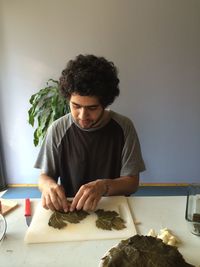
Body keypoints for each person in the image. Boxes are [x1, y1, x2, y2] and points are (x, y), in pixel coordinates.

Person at [35, 54, 145, 212]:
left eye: (92, 108)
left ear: (104, 103)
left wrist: (104, 186)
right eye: (75, 106)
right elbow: (44, 176)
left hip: (113, 209)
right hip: (72, 210)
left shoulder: (124, 127)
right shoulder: (58, 129)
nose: (82, 116)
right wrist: (49, 186)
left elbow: (132, 183)